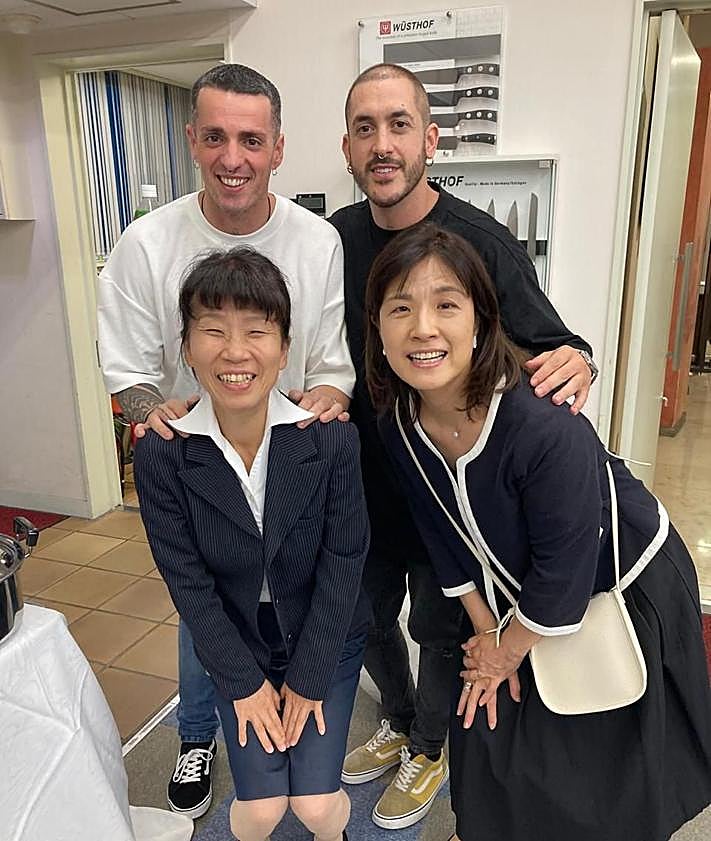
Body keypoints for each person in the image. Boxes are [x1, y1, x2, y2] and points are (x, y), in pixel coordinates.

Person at [364, 221, 711, 841]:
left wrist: (506, 650)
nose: (423, 327)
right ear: (379, 330)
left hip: (621, 586)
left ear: (481, 321)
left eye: (447, 304)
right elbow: (442, 538)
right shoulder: (400, 425)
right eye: (400, 308)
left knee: (605, 771)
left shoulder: (541, 424)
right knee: (497, 744)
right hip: (512, 600)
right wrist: (485, 635)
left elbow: (565, 574)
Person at [328, 62, 597, 829]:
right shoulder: (332, 240)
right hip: (363, 482)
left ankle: (431, 745)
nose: (382, 145)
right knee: (364, 617)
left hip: (449, 488)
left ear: (430, 139)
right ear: (346, 147)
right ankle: (402, 717)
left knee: (440, 625)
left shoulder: (478, 242)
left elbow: (554, 345)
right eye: (365, 128)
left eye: (399, 125)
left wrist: (581, 354)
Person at [97, 64, 354, 818]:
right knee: (206, 603)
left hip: (294, 453)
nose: (231, 156)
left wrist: (323, 408)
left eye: (250, 139)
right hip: (202, 454)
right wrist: (161, 417)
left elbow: (331, 362)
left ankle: (307, 717)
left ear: (278, 147)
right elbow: (127, 375)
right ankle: (198, 734)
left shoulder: (316, 241)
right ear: (190, 140)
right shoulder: (147, 243)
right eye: (214, 137)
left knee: (308, 600)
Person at [134, 247, 369, 841]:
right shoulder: (163, 451)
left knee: (315, 806)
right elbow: (187, 583)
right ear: (187, 347)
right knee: (262, 811)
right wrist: (243, 684)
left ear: (285, 348)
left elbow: (345, 563)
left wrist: (309, 676)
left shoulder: (330, 441)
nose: (235, 352)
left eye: (256, 331)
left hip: (325, 634)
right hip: (237, 639)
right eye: (212, 330)